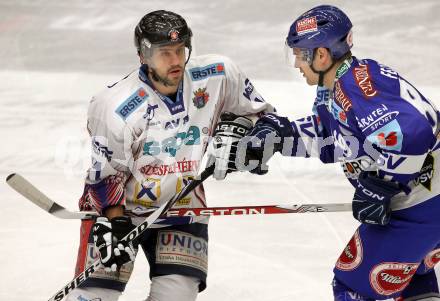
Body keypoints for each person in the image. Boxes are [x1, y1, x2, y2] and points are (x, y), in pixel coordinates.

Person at [212, 4, 440, 301]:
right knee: (410, 279)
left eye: (298, 54)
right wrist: (280, 137)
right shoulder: (338, 86)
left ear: (320, 55)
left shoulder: (356, 84)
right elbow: (335, 140)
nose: (296, 64)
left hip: (420, 207)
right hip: (426, 205)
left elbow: (412, 135)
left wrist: (380, 187)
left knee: (352, 285)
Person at [66, 10, 274, 301]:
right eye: (165, 53)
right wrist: (115, 223)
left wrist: (247, 142)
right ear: (144, 55)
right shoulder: (115, 106)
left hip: (183, 206)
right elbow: (106, 175)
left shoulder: (218, 75)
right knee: (96, 295)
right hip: (119, 213)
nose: (176, 60)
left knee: (175, 296)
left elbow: (260, 117)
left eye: (180, 50)